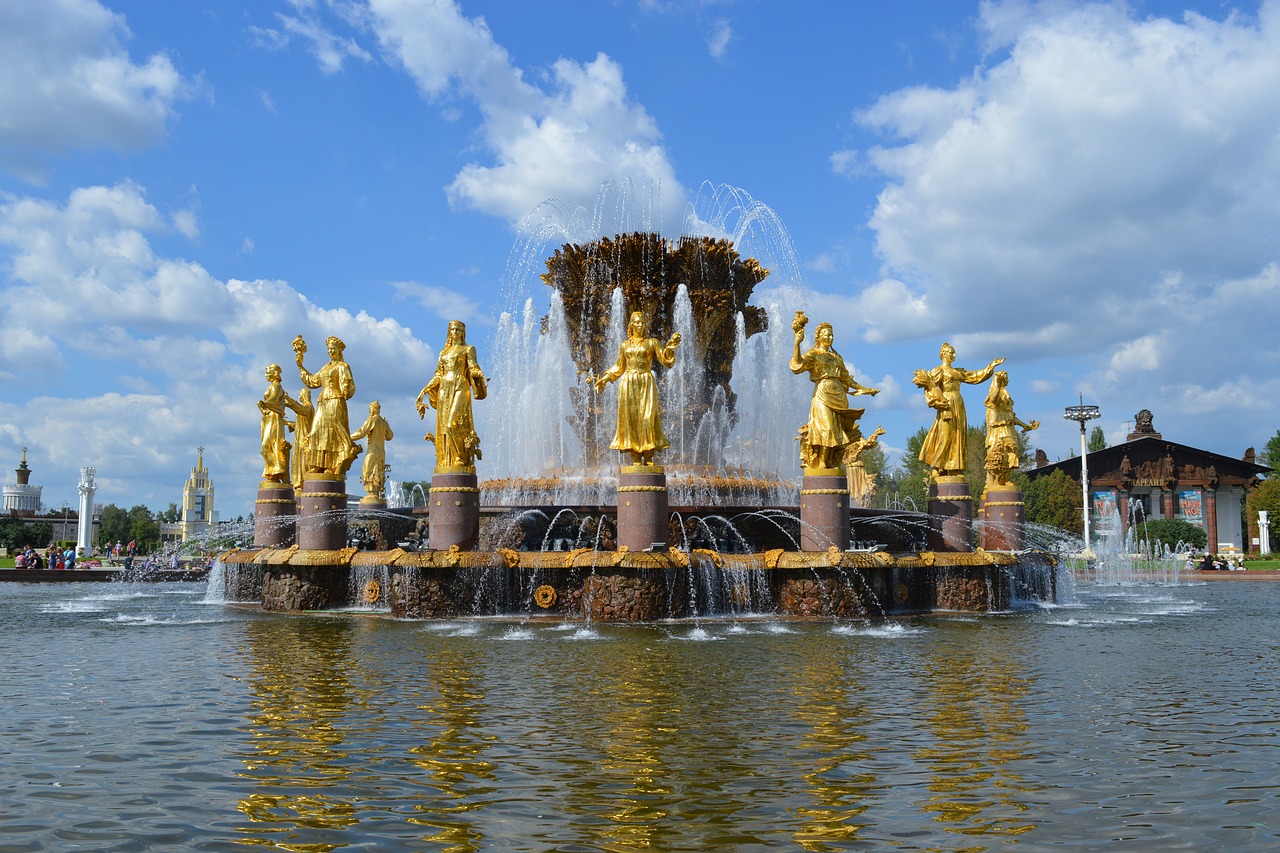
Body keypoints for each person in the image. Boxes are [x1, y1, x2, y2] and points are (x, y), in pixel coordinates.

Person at [789, 312, 878, 470]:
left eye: (832, 335)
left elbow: (846, 379)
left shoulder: (837, 357)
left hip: (839, 395)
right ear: (819, 337)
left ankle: (832, 462)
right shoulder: (814, 354)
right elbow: (797, 366)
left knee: (837, 430)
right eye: (827, 335)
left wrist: (865, 389)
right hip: (822, 393)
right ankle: (821, 462)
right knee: (826, 428)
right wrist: (797, 343)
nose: (830, 337)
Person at [594, 311, 681, 467]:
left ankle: (648, 455)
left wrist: (669, 348)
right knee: (631, 419)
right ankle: (635, 455)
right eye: (637, 322)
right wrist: (604, 380)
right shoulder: (625, 345)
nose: (640, 325)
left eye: (642, 322)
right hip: (628, 383)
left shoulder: (651, 343)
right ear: (631, 325)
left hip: (646, 381)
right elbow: (618, 367)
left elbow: (666, 361)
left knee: (648, 417)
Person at [915, 342, 1004, 479]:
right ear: (943, 354)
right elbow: (930, 387)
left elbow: (975, 377)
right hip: (947, 402)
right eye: (951, 352)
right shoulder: (939, 370)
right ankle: (937, 466)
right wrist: (940, 404)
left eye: (954, 352)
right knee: (945, 435)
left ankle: (953, 467)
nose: (953, 355)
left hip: (959, 403)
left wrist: (990, 367)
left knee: (958, 435)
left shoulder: (958, 371)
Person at [417, 320, 487, 470]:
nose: (455, 332)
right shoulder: (443, 353)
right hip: (444, 389)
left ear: (463, 333)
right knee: (444, 427)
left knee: (452, 423)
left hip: (460, 386)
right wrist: (424, 390)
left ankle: (461, 456)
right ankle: (448, 462)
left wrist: (479, 374)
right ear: (449, 332)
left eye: (458, 330)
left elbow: (473, 368)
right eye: (453, 330)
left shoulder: (468, 349)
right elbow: (438, 375)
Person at [295, 335, 360, 478]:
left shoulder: (343, 366)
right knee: (317, 430)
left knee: (335, 433)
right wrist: (300, 366)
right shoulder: (326, 367)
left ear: (339, 350)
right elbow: (313, 381)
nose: (330, 351)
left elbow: (349, 387)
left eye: (333, 348)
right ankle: (318, 464)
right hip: (323, 402)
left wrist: (346, 389)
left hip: (336, 401)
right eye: (329, 349)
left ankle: (332, 464)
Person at [983, 370, 1040, 487]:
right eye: (1005, 377)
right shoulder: (996, 393)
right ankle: (997, 481)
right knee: (999, 454)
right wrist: (997, 384)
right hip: (998, 427)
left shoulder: (1006, 393)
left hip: (1009, 428)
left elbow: (1012, 416)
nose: (1008, 379)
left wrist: (1025, 426)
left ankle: (1005, 479)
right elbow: (993, 400)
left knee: (1012, 453)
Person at [351, 400, 395, 499]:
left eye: (370, 409)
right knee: (379, 469)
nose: (370, 411)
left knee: (368, 469)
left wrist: (348, 437)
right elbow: (390, 436)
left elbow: (361, 432)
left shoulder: (372, 420)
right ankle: (376, 493)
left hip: (373, 450)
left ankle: (372, 493)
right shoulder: (383, 422)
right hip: (381, 451)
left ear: (374, 409)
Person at [257, 363, 292, 483]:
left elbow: (273, 403)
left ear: (274, 373)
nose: (266, 375)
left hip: (273, 417)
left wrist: (262, 404)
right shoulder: (273, 386)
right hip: (268, 418)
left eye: (268, 372)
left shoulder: (276, 386)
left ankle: (278, 470)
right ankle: (272, 473)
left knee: (268, 445)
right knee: (267, 446)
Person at [285, 387, 314, 493]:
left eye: (301, 394)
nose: (299, 396)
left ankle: (303, 482)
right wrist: (287, 423)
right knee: (296, 461)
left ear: (305, 395)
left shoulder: (308, 407)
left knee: (303, 461)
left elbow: (300, 409)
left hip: (305, 438)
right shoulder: (303, 408)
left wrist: (289, 400)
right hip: (298, 437)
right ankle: (298, 483)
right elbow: (298, 424)